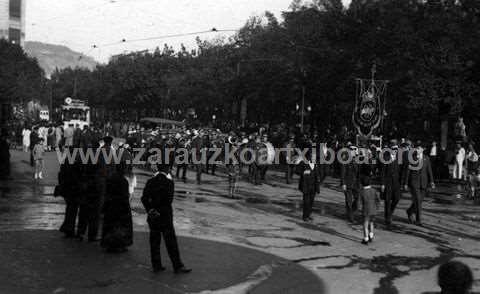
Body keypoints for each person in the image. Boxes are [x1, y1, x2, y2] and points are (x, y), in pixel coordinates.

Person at [141, 163, 192, 274]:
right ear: (167, 169)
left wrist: (150, 209)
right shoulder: (169, 183)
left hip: (153, 216)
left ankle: (156, 265)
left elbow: (144, 198)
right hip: (165, 215)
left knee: (154, 241)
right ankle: (177, 265)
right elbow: (168, 201)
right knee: (171, 242)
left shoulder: (150, 181)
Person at [101, 164, 133, 253]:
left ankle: (109, 243)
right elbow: (125, 196)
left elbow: (106, 192)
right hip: (121, 206)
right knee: (120, 226)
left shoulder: (110, 179)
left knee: (110, 225)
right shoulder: (124, 181)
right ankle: (119, 244)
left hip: (111, 205)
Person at [404, 141, 435, 226]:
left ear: (423, 149)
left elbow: (429, 171)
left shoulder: (426, 158)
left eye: (420, 148)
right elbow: (408, 171)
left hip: (424, 182)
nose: (418, 149)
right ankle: (418, 220)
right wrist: (406, 183)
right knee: (417, 200)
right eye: (417, 148)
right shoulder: (412, 158)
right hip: (414, 182)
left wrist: (432, 181)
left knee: (419, 201)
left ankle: (410, 210)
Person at [296, 147, 320, 222]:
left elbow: (317, 176)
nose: (314, 158)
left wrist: (317, 187)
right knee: (306, 202)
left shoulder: (315, 165)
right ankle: (305, 216)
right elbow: (296, 171)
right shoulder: (303, 163)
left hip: (313, 187)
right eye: (313, 157)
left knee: (311, 202)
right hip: (305, 186)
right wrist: (303, 172)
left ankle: (308, 215)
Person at [380, 142, 401, 228]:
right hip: (388, 182)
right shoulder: (386, 158)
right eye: (393, 149)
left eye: (396, 149)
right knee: (387, 200)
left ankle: (390, 212)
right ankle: (387, 218)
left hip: (396, 182)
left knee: (397, 198)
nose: (395, 151)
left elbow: (402, 170)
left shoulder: (399, 159)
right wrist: (382, 184)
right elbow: (382, 172)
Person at [340, 145, 360, 223]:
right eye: (351, 149)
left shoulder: (358, 159)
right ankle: (351, 217)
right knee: (349, 201)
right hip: (348, 183)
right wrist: (343, 183)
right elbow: (343, 172)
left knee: (357, 199)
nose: (353, 150)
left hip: (356, 183)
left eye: (354, 149)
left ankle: (350, 212)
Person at [360, 176, 380, 245]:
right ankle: (371, 236)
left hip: (366, 210)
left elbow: (359, 202)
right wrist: (377, 207)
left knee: (365, 225)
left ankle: (366, 239)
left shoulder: (362, 192)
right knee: (371, 223)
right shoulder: (374, 190)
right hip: (373, 210)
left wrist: (358, 208)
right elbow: (378, 199)